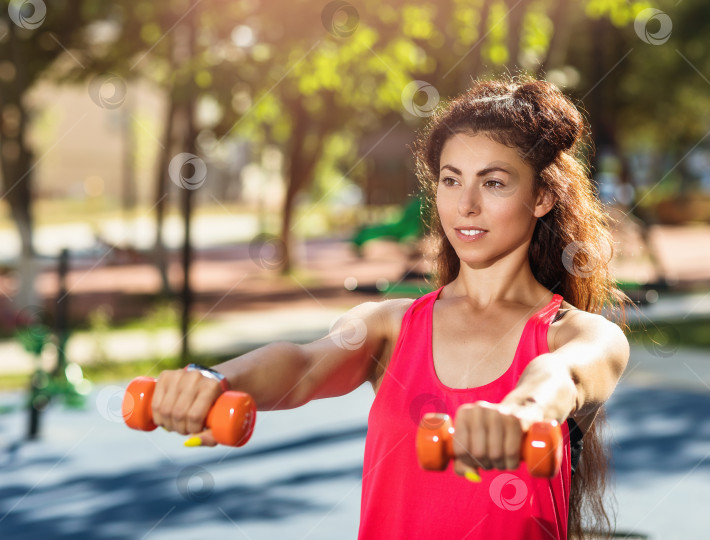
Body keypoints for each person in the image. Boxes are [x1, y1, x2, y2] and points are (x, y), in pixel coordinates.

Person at [149, 74, 631, 540]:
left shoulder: (582, 335)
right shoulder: (390, 325)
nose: (465, 205)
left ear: (541, 196)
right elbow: (302, 364)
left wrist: (524, 410)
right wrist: (217, 381)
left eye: (495, 183)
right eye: (450, 180)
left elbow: (561, 376)